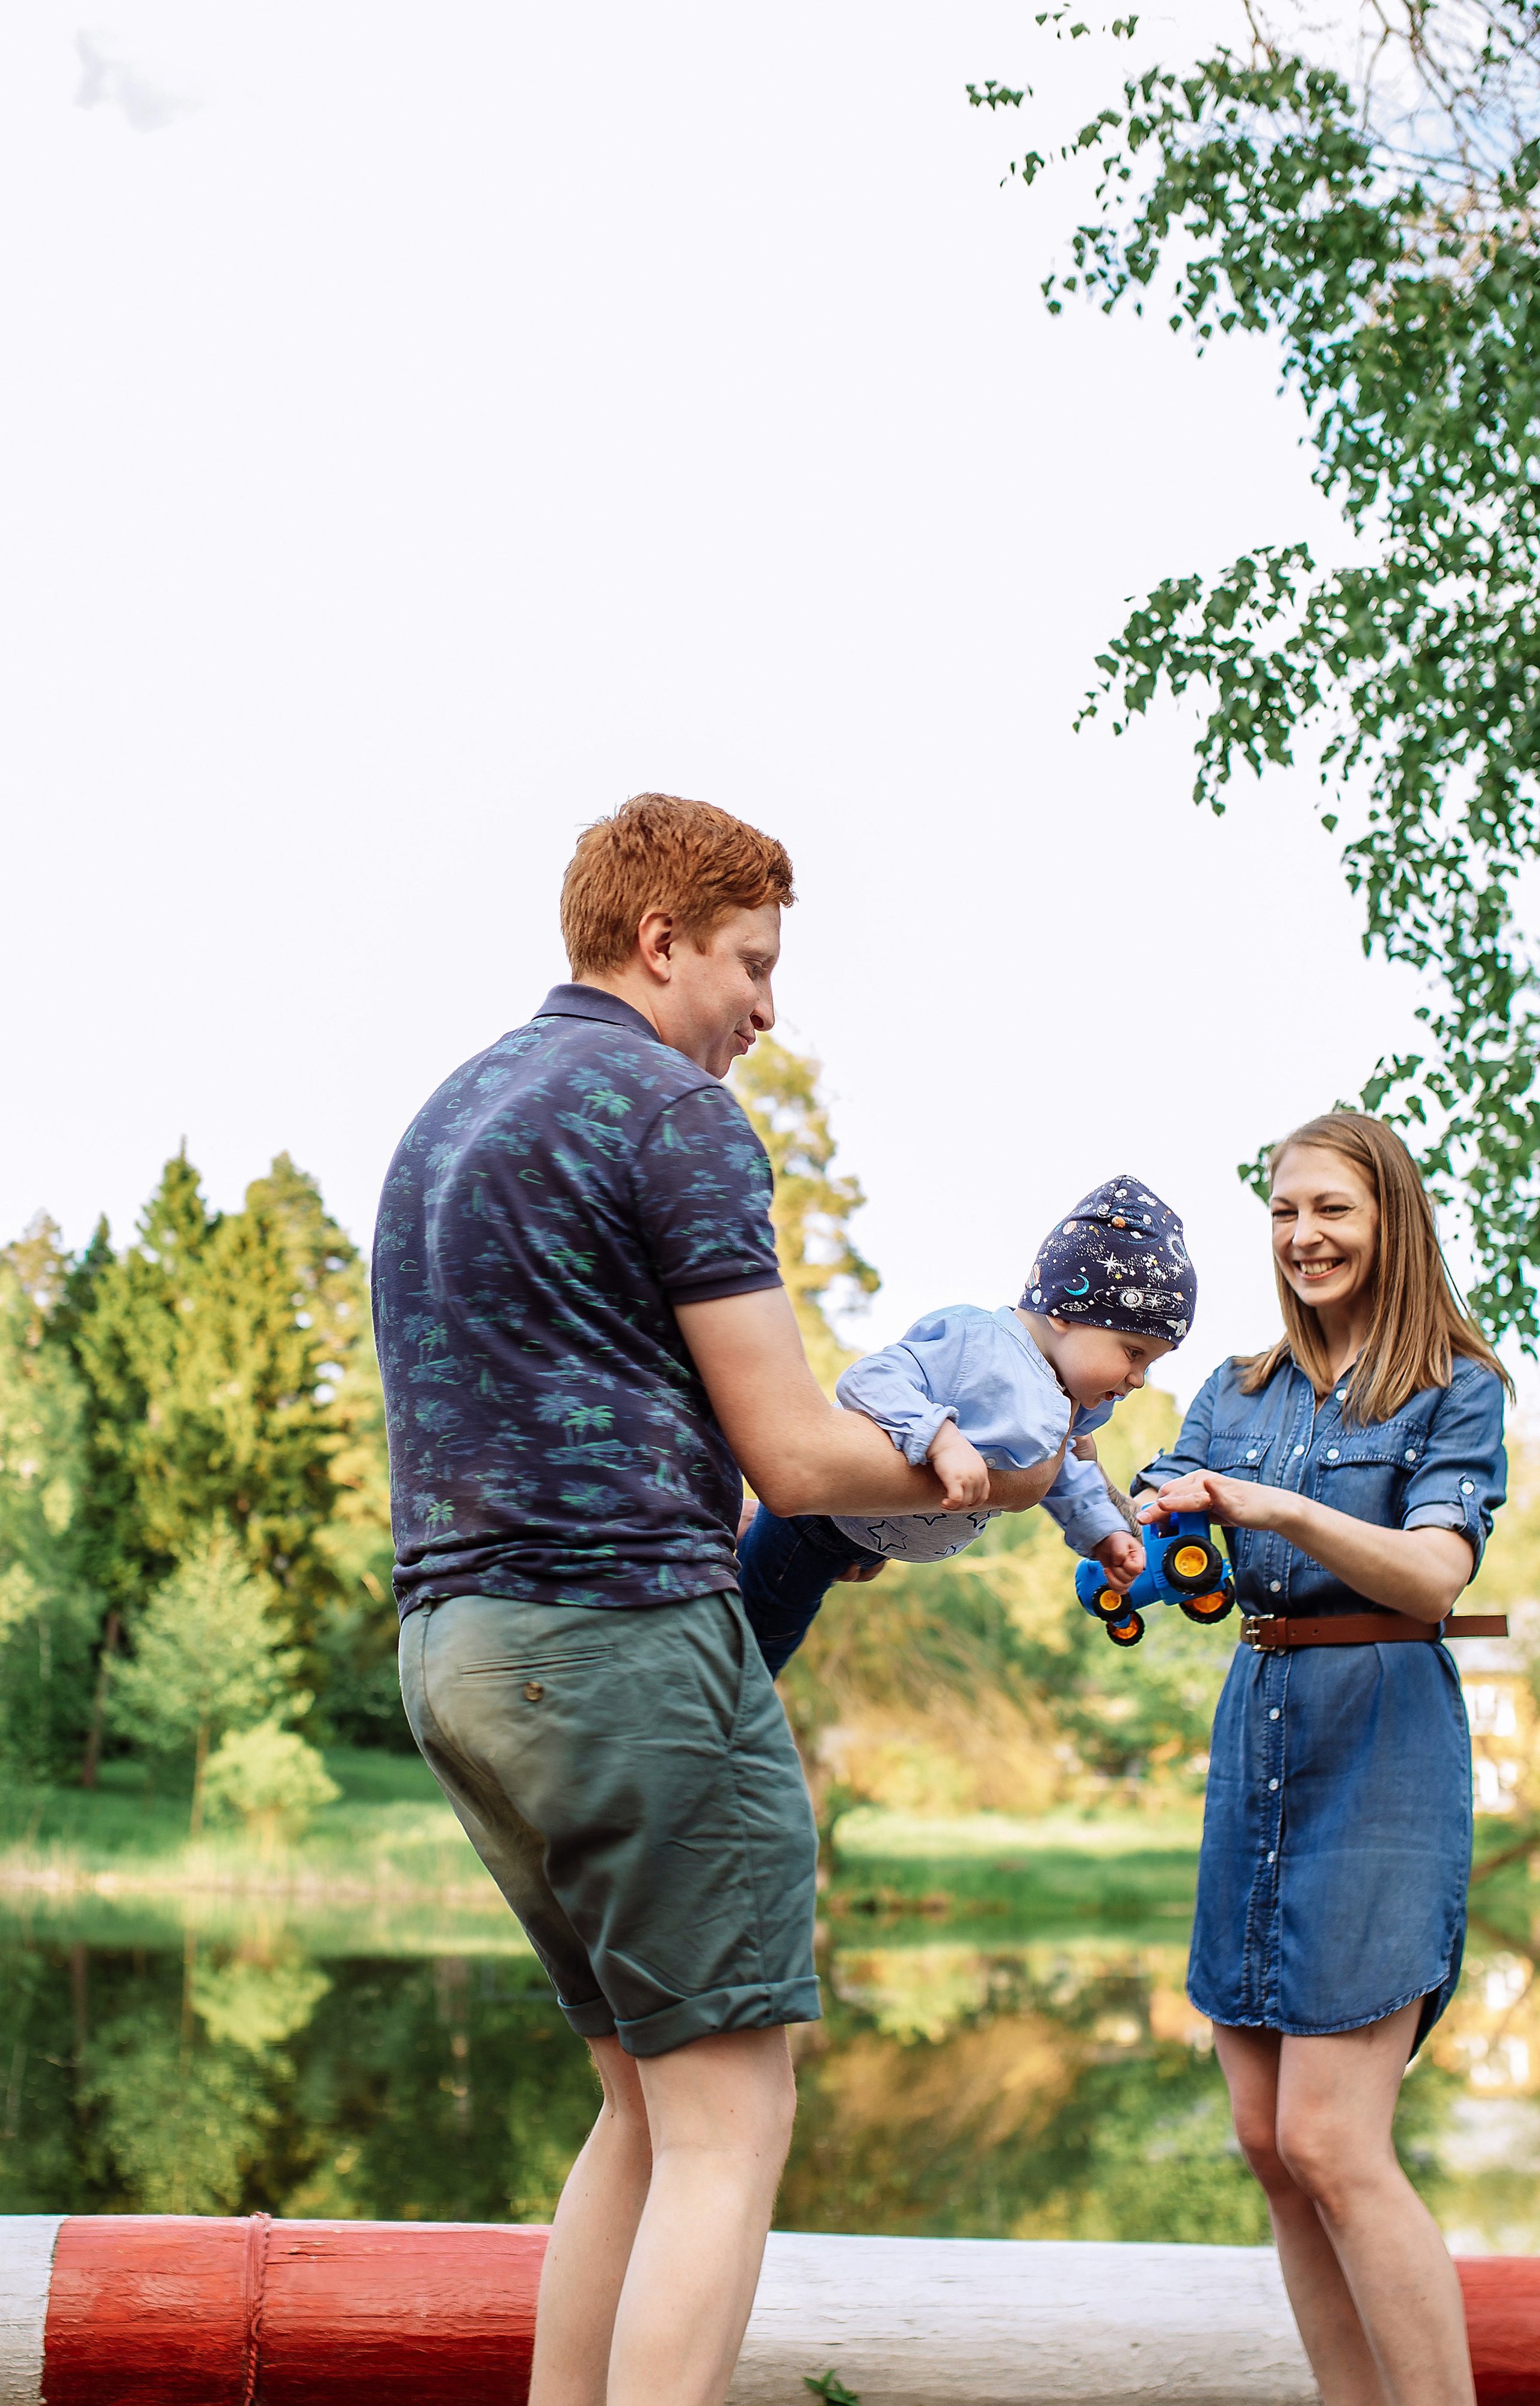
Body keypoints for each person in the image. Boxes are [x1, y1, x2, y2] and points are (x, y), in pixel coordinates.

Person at [371, 792, 1056, 2406]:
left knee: (640, 2097)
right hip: (625, 1652)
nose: (765, 1003)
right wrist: (994, 1475)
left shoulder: (452, 1111)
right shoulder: (674, 1112)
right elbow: (798, 1455)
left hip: (456, 1658)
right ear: (659, 939)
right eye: (750, 962)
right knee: (733, 2118)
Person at [1134, 1112, 1509, 2406]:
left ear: (1388, 1217)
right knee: (1263, 2138)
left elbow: (1432, 1570)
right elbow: (1168, 1538)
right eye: (1284, 1211)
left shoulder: (1455, 1386)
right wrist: (1131, 1537)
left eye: (1330, 1209)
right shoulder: (1232, 1389)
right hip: (1261, 1729)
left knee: (1331, 2139)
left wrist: (1277, 1506)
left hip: (1382, 1737)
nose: (1302, 1235)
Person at [738, 1174, 1198, 1676]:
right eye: (1133, 1353)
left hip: (867, 1537)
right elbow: (869, 1379)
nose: (1139, 1379)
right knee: (755, 1646)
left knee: (766, 1631)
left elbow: (1061, 1472)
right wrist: (940, 1437)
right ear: (1067, 1309)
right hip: (817, 1524)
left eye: (1151, 1363)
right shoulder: (977, 1343)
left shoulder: (1065, 1398)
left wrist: (1104, 1534)